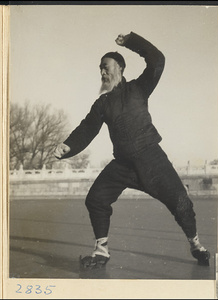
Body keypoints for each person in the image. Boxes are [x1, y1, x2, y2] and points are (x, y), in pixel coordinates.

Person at [54, 32, 210, 269]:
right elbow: (86, 130)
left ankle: (196, 244)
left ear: (120, 68)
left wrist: (131, 42)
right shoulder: (101, 104)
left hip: (152, 160)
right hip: (124, 165)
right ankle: (102, 250)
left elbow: (157, 60)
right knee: (96, 199)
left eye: (106, 67)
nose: (102, 72)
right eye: (100, 69)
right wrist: (68, 146)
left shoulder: (139, 88)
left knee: (181, 203)